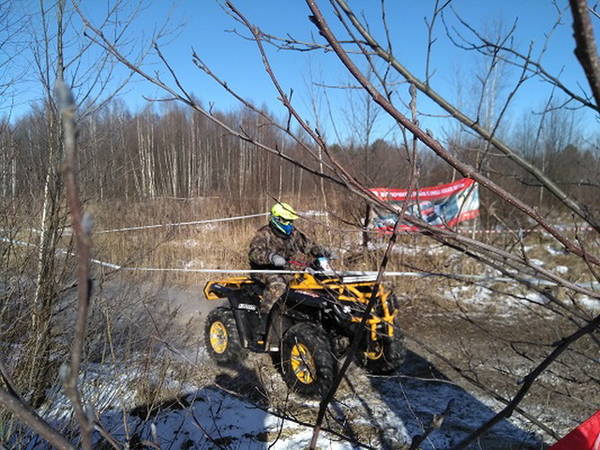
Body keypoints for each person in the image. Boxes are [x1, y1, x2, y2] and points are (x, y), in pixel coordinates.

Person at [248, 202, 330, 338]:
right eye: (286, 220)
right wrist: (270, 257)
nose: (289, 224)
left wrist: (323, 251)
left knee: (314, 282)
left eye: (290, 221)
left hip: (286, 269)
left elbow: (309, 246)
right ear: (276, 219)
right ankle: (262, 320)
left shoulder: (294, 233)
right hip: (265, 270)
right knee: (278, 285)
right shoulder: (264, 234)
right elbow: (254, 253)